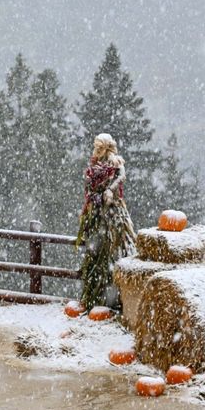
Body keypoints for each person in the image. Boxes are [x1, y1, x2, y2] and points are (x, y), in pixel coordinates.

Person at [75, 133, 137, 310]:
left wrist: (110, 190)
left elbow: (122, 175)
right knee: (96, 253)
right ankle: (95, 296)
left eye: (99, 147)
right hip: (97, 212)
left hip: (111, 212)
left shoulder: (113, 160)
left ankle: (113, 298)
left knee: (114, 248)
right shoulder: (94, 165)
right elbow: (89, 186)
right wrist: (93, 198)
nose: (97, 150)